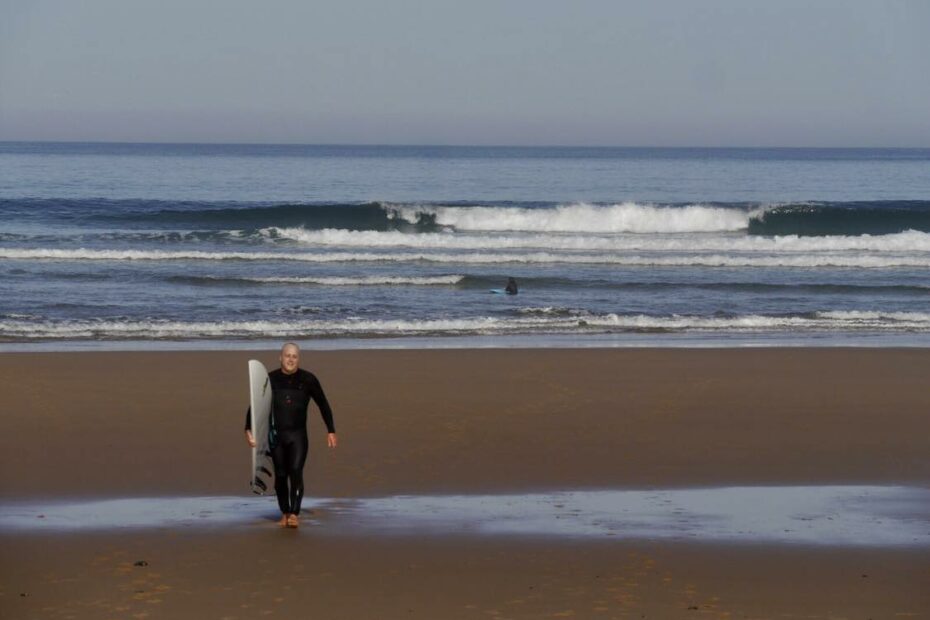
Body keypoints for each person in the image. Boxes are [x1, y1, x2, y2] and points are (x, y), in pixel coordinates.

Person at [245, 342, 337, 528]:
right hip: (276, 436)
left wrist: (331, 430)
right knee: (280, 475)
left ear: (298, 359)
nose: (290, 359)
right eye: (287, 355)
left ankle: (294, 513)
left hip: (298, 436)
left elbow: (323, 404)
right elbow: (255, 407)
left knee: (295, 471)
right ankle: (285, 512)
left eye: (294, 356)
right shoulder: (269, 379)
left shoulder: (308, 379)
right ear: (280, 357)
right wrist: (248, 429)